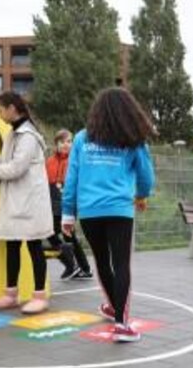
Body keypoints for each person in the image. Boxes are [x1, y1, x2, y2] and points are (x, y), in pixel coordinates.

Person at [61, 87, 156, 342]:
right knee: (121, 263)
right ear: (129, 110)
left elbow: (72, 178)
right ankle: (122, 324)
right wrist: (141, 195)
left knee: (102, 261)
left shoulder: (82, 138)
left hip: (89, 211)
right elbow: (146, 176)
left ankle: (115, 308)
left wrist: (67, 214)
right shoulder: (133, 139)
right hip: (119, 209)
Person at [0, 92, 54, 314]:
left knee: (35, 246)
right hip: (19, 201)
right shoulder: (15, 134)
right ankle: (11, 294)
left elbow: (15, 169)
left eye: (0, 110)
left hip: (29, 204)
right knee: (13, 245)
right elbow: (9, 162)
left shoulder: (27, 136)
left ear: (11, 109)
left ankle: (39, 295)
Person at [46, 129, 93, 280]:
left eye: (69, 141)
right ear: (56, 144)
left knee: (66, 236)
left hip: (68, 204)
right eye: (62, 142)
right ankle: (79, 266)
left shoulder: (75, 161)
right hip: (52, 203)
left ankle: (74, 264)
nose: (66, 145)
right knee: (55, 234)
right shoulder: (49, 162)